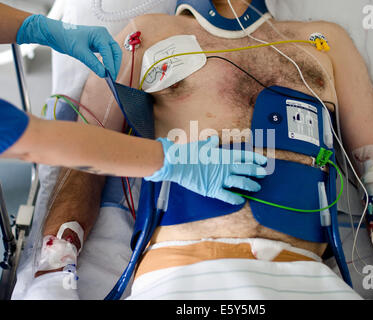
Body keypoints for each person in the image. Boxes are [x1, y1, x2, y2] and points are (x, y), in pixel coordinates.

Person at [23, 0, 373, 300]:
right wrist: (53, 272)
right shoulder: (144, 34)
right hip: (179, 278)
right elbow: (81, 161)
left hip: (308, 279)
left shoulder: (324, 42)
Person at [0, 3, 267, 205]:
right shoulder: (149, 30)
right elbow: (38, 142)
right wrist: (169, 161)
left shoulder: (303, 33)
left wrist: (38, 27)